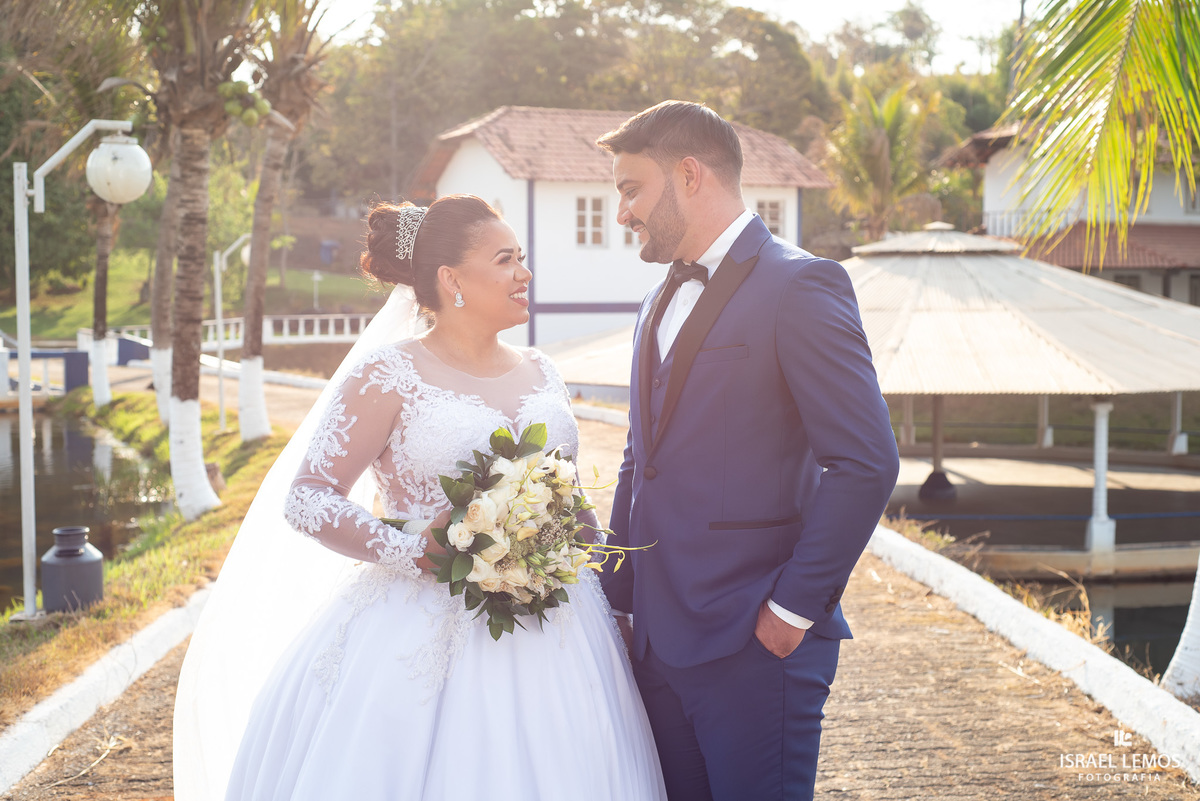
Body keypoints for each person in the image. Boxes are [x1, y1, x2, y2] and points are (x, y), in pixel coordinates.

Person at [173, 195, 666, 800]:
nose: (525, 273)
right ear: (451, 279)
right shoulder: (388, 373)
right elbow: (309, 496)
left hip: (561, 623)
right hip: (421, 623)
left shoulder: (543, 371)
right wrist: (416, 551)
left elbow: (569, 498)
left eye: (523, 258)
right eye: (506, 259)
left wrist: (615, 589)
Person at [595, 101, 900, 801]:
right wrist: (618, 599)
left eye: (631, 189)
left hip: (755, 646)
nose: (623, 214)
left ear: (691, 175)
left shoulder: (801, 285)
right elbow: (642, 461)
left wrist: (791, 612)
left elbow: (865, 461)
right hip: (658, 648)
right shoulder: (652, 303)